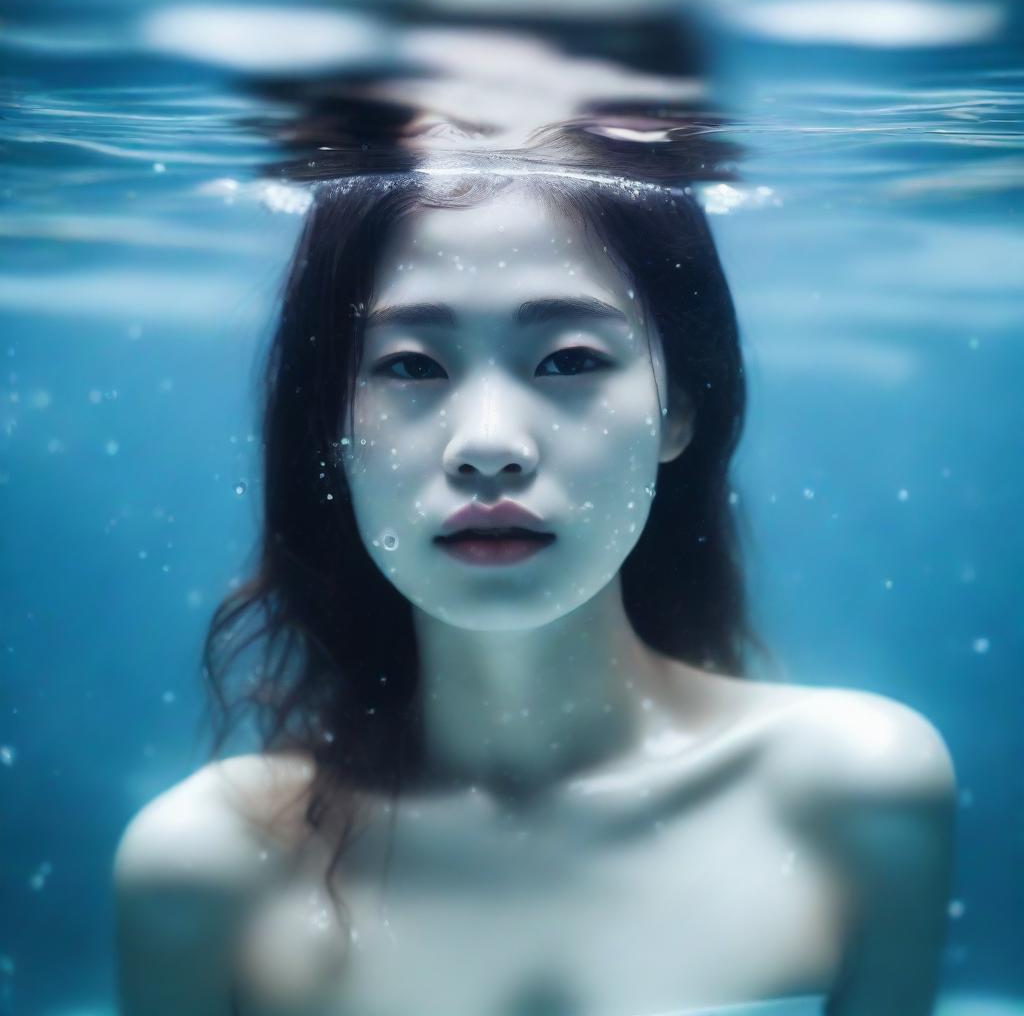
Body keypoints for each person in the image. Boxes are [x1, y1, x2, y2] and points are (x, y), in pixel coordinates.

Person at [112, 147, 956, 1016]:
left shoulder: (859, 792)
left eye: (568, 359)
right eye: (410, 365)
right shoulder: (205, 871)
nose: (488, 443)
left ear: (679, 408)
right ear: (329, 421)